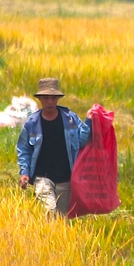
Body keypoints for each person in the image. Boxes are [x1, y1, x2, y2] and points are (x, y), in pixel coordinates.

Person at [16, 77, 93, 219]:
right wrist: (24, 172)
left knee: (62, 218)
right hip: (42, 177)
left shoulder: (71, 120)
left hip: (66, 178)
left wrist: (89, 121)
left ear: (58, 99)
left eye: (53, 98)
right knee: (49, 212)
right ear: (40, 99)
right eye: (46, 98)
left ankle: (53, 241)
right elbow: (24, 149)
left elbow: (83, 140)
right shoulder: (32, 124)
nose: (50, 102)